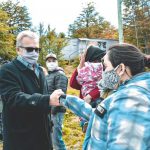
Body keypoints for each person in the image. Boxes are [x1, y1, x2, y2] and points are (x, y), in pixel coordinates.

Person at [55, 43, 150, 150]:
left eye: (105, 66)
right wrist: (65, 99)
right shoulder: (127, 91)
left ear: (121, 69)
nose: (103, 72)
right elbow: (103, 114)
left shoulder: (131, 98)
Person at [0, 30, 63, 150]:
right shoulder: (7, 70)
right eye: (29, 49)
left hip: (43, 136)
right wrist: (47, 100)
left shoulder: (39, 71)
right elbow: (14, 98)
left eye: (37, 49)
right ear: (18, 49)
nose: (34, 53)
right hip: (21, 138)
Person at [70, 45, 105, 132]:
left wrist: (91, 95)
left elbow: (105, 85)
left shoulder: (103, 68)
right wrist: (80, 66)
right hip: (86, 106)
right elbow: (73, 84)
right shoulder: (85, 69)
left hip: (98, 103)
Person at [45, 53, 68, 150]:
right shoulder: (49, 75)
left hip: (56, 110)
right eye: (49, 61)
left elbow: (60, 94)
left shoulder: (59, 75)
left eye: (53, 61)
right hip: (49, 110)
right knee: (50, 138)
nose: (51, 63)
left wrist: (54, 109)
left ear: (57, 62)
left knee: (56, 139)